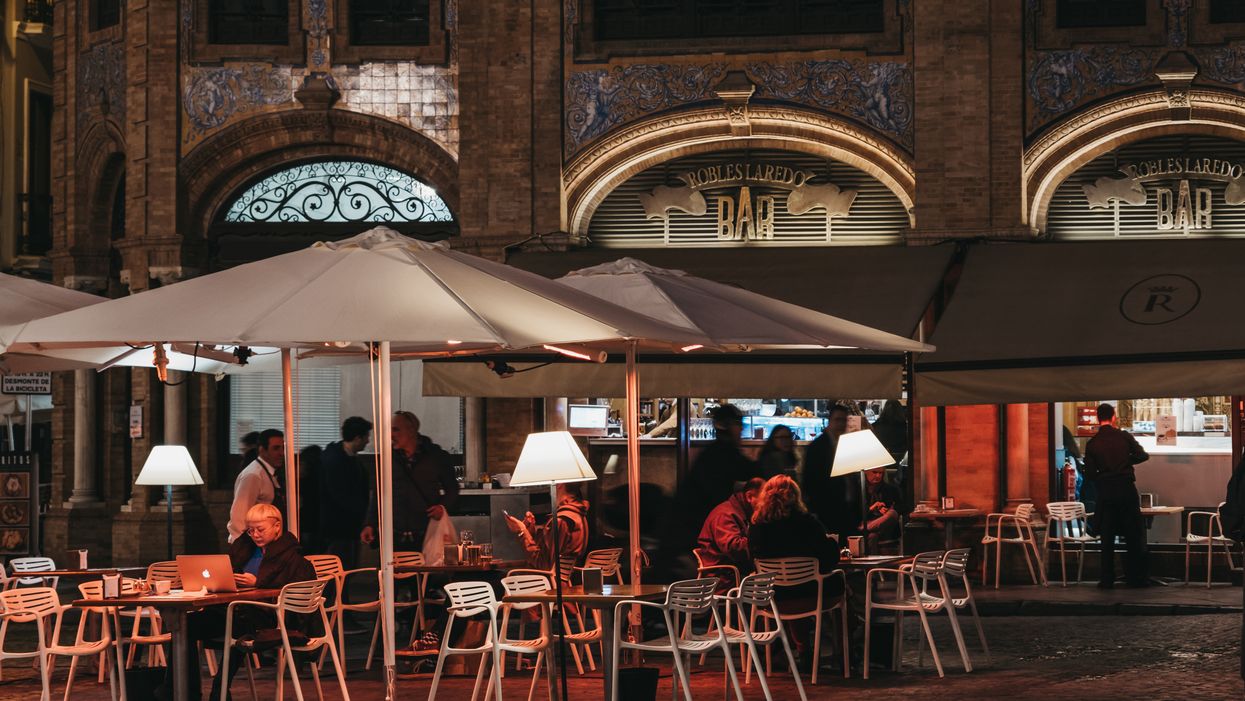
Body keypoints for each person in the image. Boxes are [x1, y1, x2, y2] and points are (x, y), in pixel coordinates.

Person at [178, 504, 315, 701]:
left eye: (260, 529)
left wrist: (258, 582)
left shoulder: (292, 557)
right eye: (250, 530)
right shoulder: (245, 549)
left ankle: (220, 688)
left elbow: (294, 593)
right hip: (233, 609)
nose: (255, 535)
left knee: (237, 623)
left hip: (269, 617)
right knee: (185, 626)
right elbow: (226, 572)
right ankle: (181, 691)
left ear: (277, 526)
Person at [748, 475, 843, 667]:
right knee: (840, 587)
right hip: (811, 596)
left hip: (773, 599)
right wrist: (832, 544)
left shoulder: (757, 527)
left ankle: (803, 652)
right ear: (795, 496)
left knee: (790, 587)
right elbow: (830, 558)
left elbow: (752, 559)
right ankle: (844, 653)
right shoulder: (808, 523)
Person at [664, 403, 761, 578]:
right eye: (738, 425)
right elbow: (749, 471)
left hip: (687, 529)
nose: (741, 430)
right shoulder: (722, 455)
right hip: (691, 530)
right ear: (726, 426)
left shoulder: (715, 453)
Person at [360, 411, 459, 552]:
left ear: (411, 430)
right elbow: (378, 494)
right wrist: (370, 524)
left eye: (395, 429)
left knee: (427, 573)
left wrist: (441, 507)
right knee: (396, 574)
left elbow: (452, 489)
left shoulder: (436, 456)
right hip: (394, 536)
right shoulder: (388, 458)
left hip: (426, 534)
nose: (390, 435)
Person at [1083, 402, 1150, 588]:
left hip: (1106, 492)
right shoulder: (1124, 437)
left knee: (1107, 536)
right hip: (1126, 489)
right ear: (1113, 417)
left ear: (1098, 418)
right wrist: (1126, 462)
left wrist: (1103, 475)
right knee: (1132, 534)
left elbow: (1089, 474)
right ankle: (1135, 577)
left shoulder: (1093, 443)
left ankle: (1107, 579)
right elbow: (1143, 455)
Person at [319, 416, 373, 570]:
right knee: (341, 569)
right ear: (358, 438)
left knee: (347, 568)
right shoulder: (336, 460)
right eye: (366, 437)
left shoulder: (342, 457)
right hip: (339, 527)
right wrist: (361, 512)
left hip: (346, 526)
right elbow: (340, 495)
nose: (368, 441)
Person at [505, 481, 591, 571]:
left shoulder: (561, 520)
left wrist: (522, 531)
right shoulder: (578, 514)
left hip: (548, 582)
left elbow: (544, 565)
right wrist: (531, 532)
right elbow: (549, 554)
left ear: (559, 484)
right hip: (564, 581)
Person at [801, 404, 857, 538]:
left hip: (847, 507)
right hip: (827, 507)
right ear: (829, 421)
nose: (841, 424)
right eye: (838, 420)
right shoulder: (818, 446)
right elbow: (811, 480)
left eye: (844, 420)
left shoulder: (846, 443)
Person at [696, 477, 765, 576]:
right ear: (749, 496)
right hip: (724, 580)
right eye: (763, 501)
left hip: (737, 576)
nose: (765, 506)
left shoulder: (740, 513)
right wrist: (763, 538)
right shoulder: (724, 514)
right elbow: (735, 549)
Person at [227, 429, 285, 544]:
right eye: (276, 448)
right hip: (253, 545)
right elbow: (239, 517)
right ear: (262, 450)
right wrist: (244, 548)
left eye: (283, 448)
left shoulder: (269, 473)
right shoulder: (253, 475)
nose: (281, 453)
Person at [861, 467, 901, 549]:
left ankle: (863, 529)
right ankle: (864, 527)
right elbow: (855, 513)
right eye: (875, 472)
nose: (878, 475)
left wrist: (887, 510)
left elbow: (902, 507)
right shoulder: (859, 488)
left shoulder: (891, 489)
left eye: (881, 473)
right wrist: (871, 508)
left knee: (892, 513)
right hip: (866, 521)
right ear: (866, 472)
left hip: (883, 523)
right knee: (873, 536)